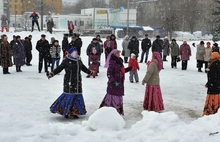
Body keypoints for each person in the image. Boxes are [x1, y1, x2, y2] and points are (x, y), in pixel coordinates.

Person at [48, 47, 94, 118]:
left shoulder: (79, 60)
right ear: (70, 53)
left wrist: (89, 72)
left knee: (76, 96)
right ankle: (66, 111)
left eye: (76, 52)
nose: (76, 54)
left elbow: (83, 67)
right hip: (69, 81)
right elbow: (59, 68)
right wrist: (52, 74)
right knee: (69, 96)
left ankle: (74, 112)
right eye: (74, 53)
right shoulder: (66, 60)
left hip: (77, 81)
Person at [99, 49, 132, 115]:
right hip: (113, 84)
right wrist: (112, 81)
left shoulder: (119, 61)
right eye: (117, 53)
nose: (119, 54)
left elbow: (120, 71)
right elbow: (109, 73)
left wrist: (128, 69)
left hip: (119, 82)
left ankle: (117, 111)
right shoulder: (112, 62)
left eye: (119, 53)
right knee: (113, 97)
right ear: (114, 54)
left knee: (118, 96)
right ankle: (109, 111)